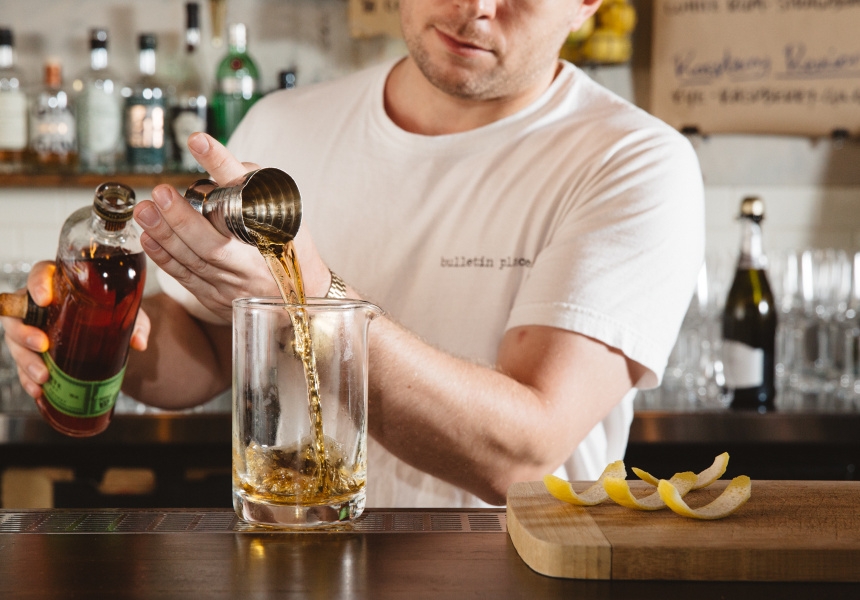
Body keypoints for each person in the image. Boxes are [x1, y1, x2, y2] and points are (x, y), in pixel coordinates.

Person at [3, 0, 704, 507]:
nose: (477, 10)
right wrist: (96, 331)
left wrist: (307, 300)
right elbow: (207, 353)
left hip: (511, 577)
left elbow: (523, 458)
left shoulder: (632, 162)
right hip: (292, 560)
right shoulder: (284, 124)